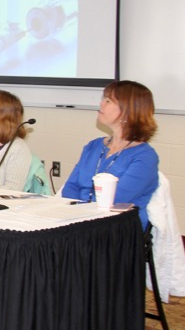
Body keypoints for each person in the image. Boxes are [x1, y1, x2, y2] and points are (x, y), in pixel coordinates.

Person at [62, 80, 159, 228]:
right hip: (81, 221)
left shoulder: (144, 157)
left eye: (108, 101)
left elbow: (115, 199)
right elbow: (71, 187)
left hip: (118, 230)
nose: (101, 104)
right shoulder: (93, 146)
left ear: (128, 111)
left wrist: (81, 213)